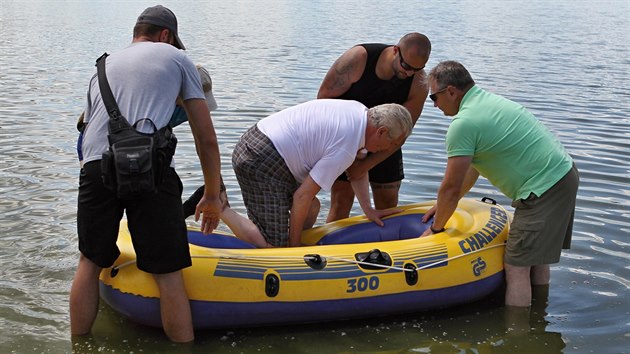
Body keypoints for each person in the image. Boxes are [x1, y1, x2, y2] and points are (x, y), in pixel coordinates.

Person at [69, 5, 224, 343]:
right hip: (149, 171)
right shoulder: (178, 58)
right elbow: (206, 137)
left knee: (88, 263)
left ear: (137, 32)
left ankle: (78, 346)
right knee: (168, 275)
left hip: (96, 168)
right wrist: (212, 194)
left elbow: (85, 131)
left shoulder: (102, 67)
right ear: (167, 36)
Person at [421, 60, 579, 308]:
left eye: (434, 97)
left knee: (516, 266)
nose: (434, 105)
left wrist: (437, 228)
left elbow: (450, 187)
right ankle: (540, 315)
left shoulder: (463, 123)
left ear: (451, 91)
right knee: (536, 258)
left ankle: (518, 337)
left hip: (543, 189)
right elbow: (471, 172)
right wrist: (443, 208)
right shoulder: (488, 102)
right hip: (562, 175)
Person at [219, 99, 414, 248]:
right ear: (381, 132)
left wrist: (368, 209)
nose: (389, 150)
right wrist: (294, 250)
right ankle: (219, 206)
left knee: (312, 208)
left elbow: (358, 170)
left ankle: (292, 240)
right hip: (260, 158)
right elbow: (301, 196)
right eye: (393, 144)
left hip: (267, 146)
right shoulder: (345, 146)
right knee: (272, 247)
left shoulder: (361, 114)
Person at [317, 32, 431, 223]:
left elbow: (402, 133)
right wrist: (351, 155)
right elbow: (323, 101)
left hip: (387, 143)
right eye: (406, 66)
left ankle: (386, 248)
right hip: (346, 138)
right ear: (395, 50)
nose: (409, 73)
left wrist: (365, 166)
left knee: (388, 205)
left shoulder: (418, 82)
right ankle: (328, 249)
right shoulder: (359, 59)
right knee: (341, 201)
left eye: (417, 69)